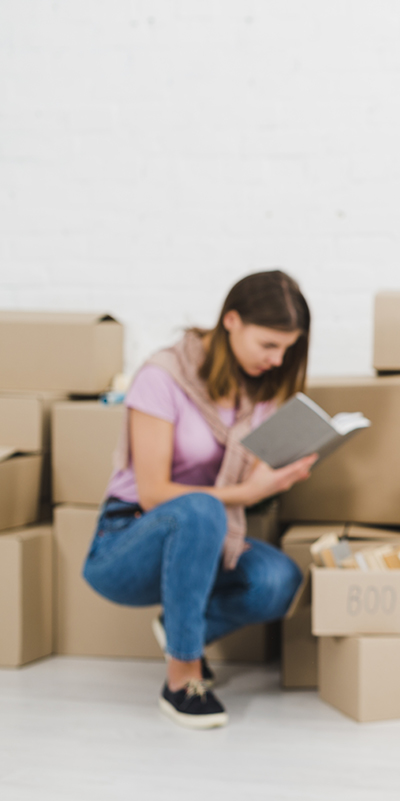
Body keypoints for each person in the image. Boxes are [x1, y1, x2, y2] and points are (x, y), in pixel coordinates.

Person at [83, 270, 318, 729]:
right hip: (128, 538)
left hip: (207, 538)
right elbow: (153, 494)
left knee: (278, 580)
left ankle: (181, 627)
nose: (278, 359)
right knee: (202, 508)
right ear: (231, 321)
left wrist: (276, 472)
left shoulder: (261, 389)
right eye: (269, 345)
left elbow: (246, 476)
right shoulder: (161, 377)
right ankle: (182, 680)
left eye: (287, 349)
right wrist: (247, 492)